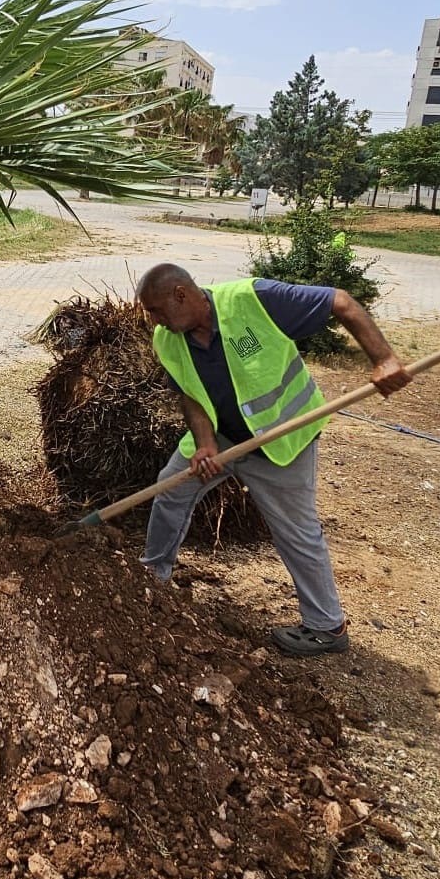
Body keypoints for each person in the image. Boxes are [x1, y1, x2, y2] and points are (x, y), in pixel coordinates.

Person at [135, 263, 411, 656]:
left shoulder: (253, 300)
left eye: (157, 310)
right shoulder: (168, 339)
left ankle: (326, 627)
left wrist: (383, 358)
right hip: (224, 437)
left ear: (181, 294)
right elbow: (190, 394)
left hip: (282, 441)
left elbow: (342, 302)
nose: (155, 321)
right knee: (171, 491)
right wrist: (205, 444)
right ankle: (152, 575)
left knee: (295, 531)